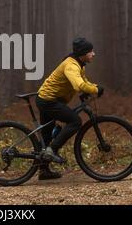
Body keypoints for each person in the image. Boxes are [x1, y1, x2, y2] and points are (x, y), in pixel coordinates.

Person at [35, 37, 104, 180]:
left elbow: (83, 82)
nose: (94, 54)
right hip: (49, 101)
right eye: (91, 52)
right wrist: (95, 90)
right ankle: (52, 150)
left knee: (47, 135)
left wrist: (92, 87)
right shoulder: (71, 65)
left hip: (48, 99)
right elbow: (78, 85)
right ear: (83, 53)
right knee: (75, 122)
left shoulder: (79, 64)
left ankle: (43, 171)